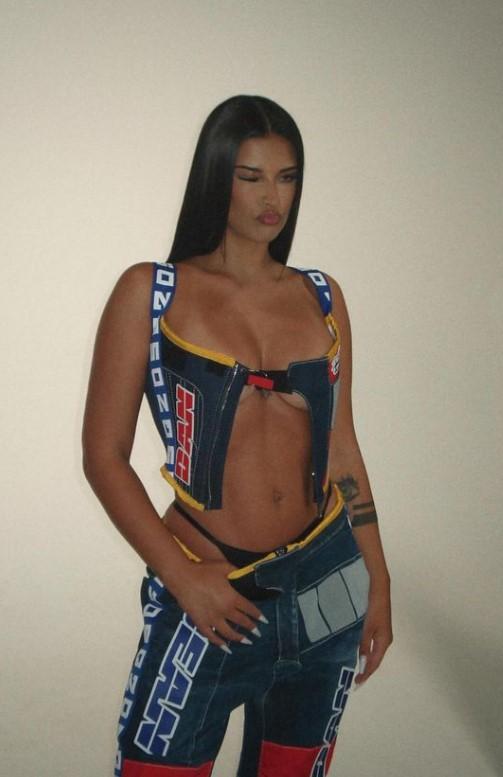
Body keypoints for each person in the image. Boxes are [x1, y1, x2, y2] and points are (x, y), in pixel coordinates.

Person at [82, 94, 392, 777]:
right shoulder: (152, 292)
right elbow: (103, 457)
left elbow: (341, 447)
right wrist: (181, 578)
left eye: (286, 177)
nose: (271, 197)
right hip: (211, 587)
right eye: (250, 176)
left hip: (326, 580)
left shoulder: (322, 297)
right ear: (216, 176)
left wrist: (378, 578)